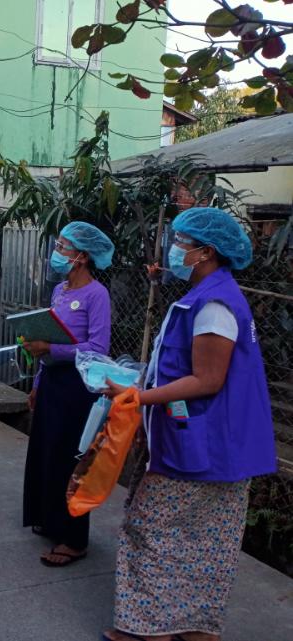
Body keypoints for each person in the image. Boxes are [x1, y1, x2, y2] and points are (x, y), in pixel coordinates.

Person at [101, 207, 277, 641]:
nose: (173, 249)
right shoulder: (207, 294)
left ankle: (150, 628)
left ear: (206, 252)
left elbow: (207, 380)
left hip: (203, 440)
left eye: (180, 242)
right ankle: (194, 627)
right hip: (212, 439)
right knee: (204, 539)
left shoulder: (214, 304)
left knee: (151, 527)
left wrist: (136, 397)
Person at [22, 221, 114, 567]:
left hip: (77, 388)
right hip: (52, 381)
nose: (56, 253)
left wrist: (53, 349)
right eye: (57, 245)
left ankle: (74, 539)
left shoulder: (97, 294)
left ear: (82, 256)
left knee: (69, 459)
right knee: (46, 453)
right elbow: (49, 336)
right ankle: (49, 520)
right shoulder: (60, 290)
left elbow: (99, 347)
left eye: (63, 247)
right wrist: (37, 383)